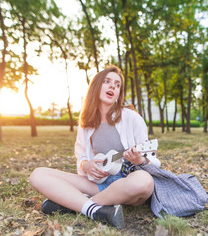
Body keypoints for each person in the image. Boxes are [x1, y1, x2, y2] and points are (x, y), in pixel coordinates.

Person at [29, 65, 160, 229]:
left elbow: (152, 160)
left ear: (119, 93)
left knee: (145, 181)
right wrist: (87, 165)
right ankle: (95, 210)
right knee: (38, 174)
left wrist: (140, 160)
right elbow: (81, 156)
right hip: (99, 184)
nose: (113, 86)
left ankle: (73, 204)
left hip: (127, 184)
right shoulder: (87, 122)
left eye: (117, 85)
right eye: (107, 81)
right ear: (96, 86)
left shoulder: (132, 118)